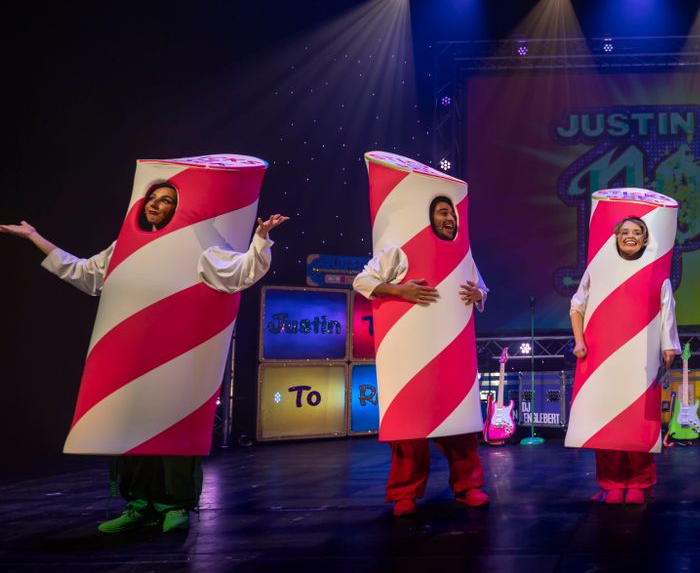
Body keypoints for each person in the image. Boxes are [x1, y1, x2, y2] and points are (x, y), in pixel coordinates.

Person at [2, 182, 287, 533]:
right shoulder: (124, 246)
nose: (155, 204)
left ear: (177, 209)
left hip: (175, 359)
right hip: (130, 358)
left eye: (165, 201)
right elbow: (84, 274)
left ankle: (175, 506)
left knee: (171, 434)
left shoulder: (198, 247)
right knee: (130, 433)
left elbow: (241, 273)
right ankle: (138, 506)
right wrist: (34, 236)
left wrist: (261, 238)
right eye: (152, 198)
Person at [354, 196, 490, 517]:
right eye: (443, 212)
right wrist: (399, 290)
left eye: (452, 214)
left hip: (450, 354)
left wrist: (478, 294)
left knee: (459, 426)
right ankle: (405, 493)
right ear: (428, 217)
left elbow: (482, 289)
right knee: (410, 429)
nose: (450, 219)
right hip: (412, 353)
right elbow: (362, 280)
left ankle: (468, 486)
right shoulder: (399, 250)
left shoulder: (463, 253)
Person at [570, 216, 680, 504]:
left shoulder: (657, 272)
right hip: (603, 358)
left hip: (640, 357)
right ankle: (613, 482)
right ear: (615, 237)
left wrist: (669, 346)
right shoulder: (598, 269)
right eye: (625, 232)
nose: (630, 236)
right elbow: (576, 306)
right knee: (607, 421)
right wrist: (579, 341)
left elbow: (667, 309)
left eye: (637, 233)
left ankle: (641, 484)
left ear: (645, 240)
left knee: (637, 421)